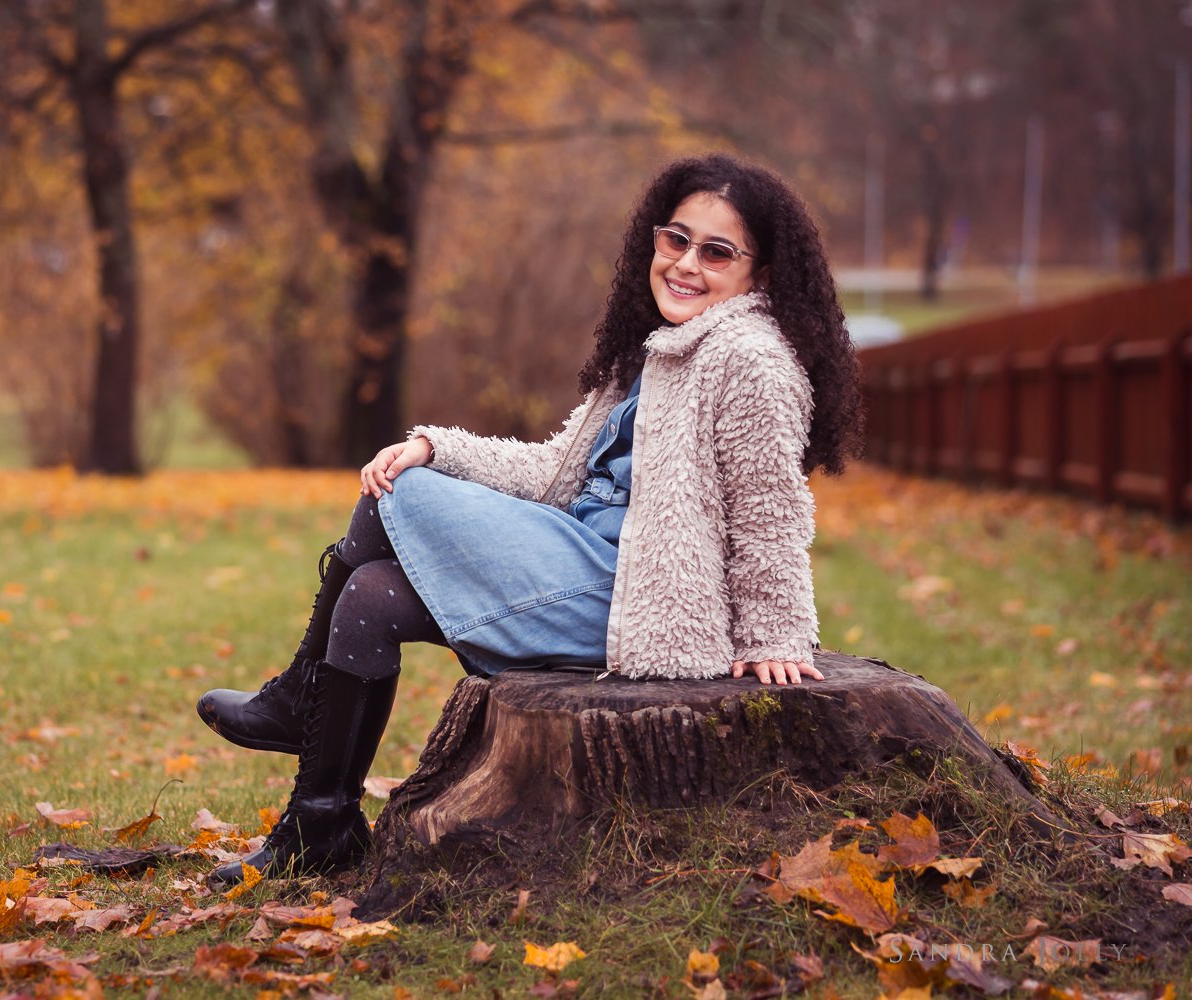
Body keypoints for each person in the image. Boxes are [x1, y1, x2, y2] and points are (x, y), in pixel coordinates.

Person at [197, 153, 864, 886]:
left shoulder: (749, 359)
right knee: (371, 595)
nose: (685, 264)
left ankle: (298, 696)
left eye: (717, 252)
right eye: (675, 239)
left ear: (758, 274)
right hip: (580, 561)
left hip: (642, 602)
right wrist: (434, 445)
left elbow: (769, 510)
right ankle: (318, 825)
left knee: (404, 496)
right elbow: (554, 473)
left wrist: (775, 633)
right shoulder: (663, 348)